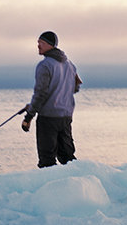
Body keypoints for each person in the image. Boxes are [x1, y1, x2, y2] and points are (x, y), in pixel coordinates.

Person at [22, 31, 82, 168]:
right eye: (38, 43)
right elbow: (76, 87)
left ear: (49, 45)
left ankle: (49, 189)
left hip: (48, 118)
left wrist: (29, 116)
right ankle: (76, 184)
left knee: (47, 160)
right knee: (68, 158)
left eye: (41, 43)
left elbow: (41, 94)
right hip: (65, 116)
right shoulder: (70, 65)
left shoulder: (44, 66)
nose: (38, 46)